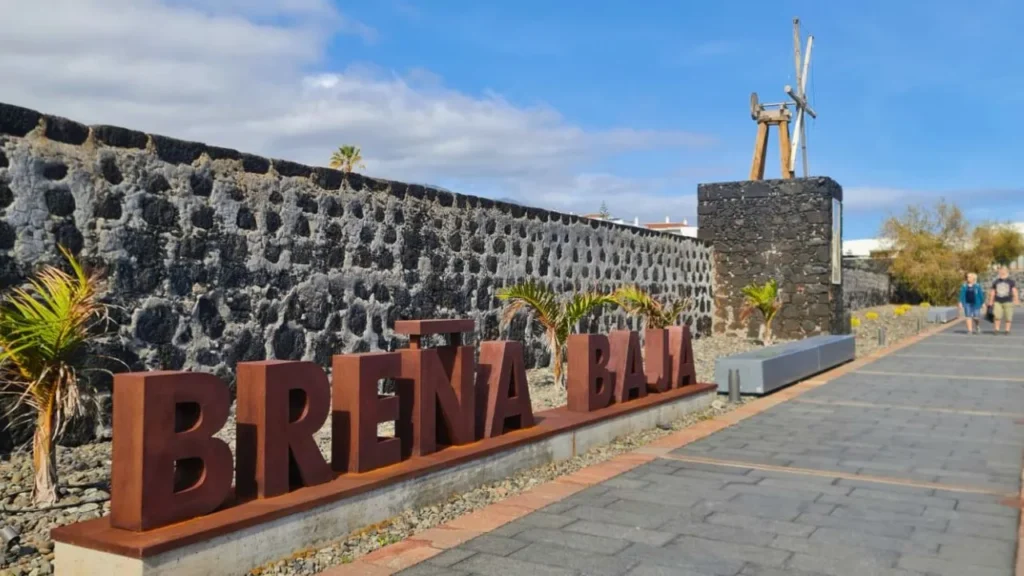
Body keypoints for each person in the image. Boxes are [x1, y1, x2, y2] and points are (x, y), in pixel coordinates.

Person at [989, 266, 1019, 335]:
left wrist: (1016, 299)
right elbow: (993, 291)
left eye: (1003, 271)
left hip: (1008, 301)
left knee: (1008, 316)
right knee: (997, 316)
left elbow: (1014, 290)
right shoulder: (996, 281)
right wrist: (990, 301)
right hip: (997, 301)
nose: (1002, 272)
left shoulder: (1011, 281)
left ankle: (1007, 330)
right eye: (1000, 271)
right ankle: (996, 329)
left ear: (1006, 272)